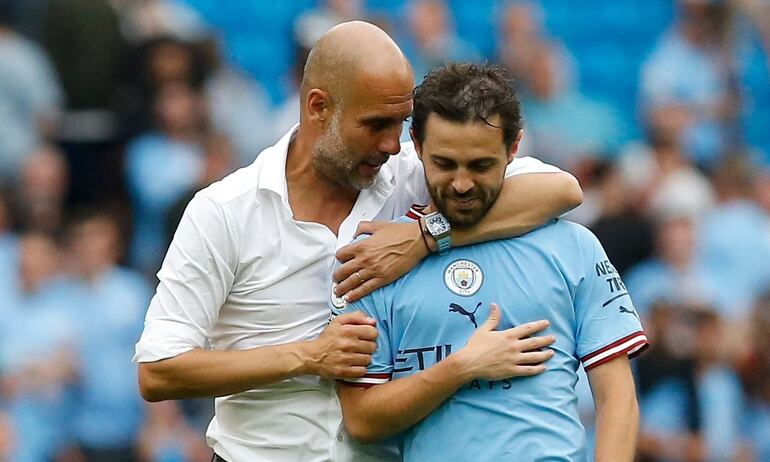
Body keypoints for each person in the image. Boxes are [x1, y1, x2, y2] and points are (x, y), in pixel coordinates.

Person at [134, 22, 582, 462]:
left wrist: (429, 236)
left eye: (402, 122)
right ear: (317, 107)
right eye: (375, 124)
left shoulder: (413, 175)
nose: (392, 143)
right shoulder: (224, 211)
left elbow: (561, 190)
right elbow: (159, 371)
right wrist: (310, 356)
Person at [335, 63, 648, 462]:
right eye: (445, 164)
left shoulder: (573, 246)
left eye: (480, 165)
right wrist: (461, 367)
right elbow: (361, 419)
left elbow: (618, 398)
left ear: (514, 147)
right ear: (415, 142)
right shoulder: (376, 260)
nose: (462, 184)